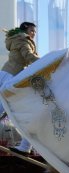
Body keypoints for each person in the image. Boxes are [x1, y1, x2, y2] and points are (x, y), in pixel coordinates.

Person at [1, 21, 40, 154]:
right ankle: (25, 146)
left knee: (5, 107)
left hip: (5, 73)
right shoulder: (23, 40)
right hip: (12, 77)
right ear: (25, 30)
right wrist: (47, 62)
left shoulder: (15, 38)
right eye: (32, 31)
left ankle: (25, 146)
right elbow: (28, 56)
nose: (34, 33)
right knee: (26, 111)